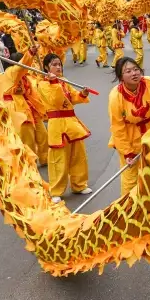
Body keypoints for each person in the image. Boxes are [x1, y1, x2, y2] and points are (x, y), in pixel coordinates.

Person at [35, 54, 92, 203]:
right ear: (46, 67)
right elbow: (55, 100)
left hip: (72, 123)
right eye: (54, 64)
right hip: (57, 124)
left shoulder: (63, 81)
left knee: (78, 156)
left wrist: (82, 94)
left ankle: (79, 184)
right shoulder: (43, 84)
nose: (58, 67)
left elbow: (72, 98)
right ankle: (56, 190)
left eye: (59, 64)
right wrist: (54, 83)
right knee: (58, 159)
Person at [108, 58, 150, 194]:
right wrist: (127, 152)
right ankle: (129, 205)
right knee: (130, 180)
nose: (134, 73)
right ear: (121, 77)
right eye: (128, 71)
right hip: (130, 139)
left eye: (136, 69)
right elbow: (118, 127)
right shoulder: (115, 96)